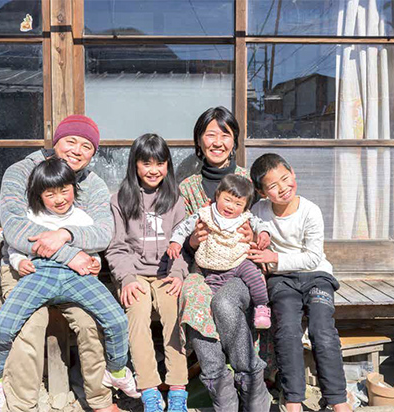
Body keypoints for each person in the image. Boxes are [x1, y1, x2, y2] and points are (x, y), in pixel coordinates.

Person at [0, 115, 129, 412]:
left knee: (90, 322)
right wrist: (69, 252)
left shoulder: (93, 185)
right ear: (55, 142)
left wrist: (66, 233)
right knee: (29, 323)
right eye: (70, 141)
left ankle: (100, 400)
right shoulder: (20, 172)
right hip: (27, 265)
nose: (77, 150)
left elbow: (102, 233)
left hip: (77, 273)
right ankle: (21, 405)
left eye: (86, 146)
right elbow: (16, 230)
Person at [177, 106, 271, 412]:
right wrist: (191, 242)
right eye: (210, 134)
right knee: (194, 301)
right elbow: (182, 241)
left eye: (225, 134)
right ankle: (223, 397)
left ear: (235, 141)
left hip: (242, 272)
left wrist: (258, 240)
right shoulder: (188, 188)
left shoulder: (248, 180)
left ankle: (251, 386)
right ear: (199, 141)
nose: (217, 142)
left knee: (225, 303)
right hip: (203, 271)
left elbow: (267, 226)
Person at [248, 153, 351, 412]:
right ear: (262, 192)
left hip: (317, 276)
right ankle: (293, 399)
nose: (283, 188)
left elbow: (313, 257)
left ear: (293, 173)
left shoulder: (310, 211)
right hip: (281, 281)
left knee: (322, 330)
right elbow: (247, 229)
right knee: (287, 330)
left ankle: (338, 399)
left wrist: (274, 257)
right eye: (273, 185)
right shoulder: (258, 212)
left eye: (285, 178)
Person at [105, 134, 189, 412]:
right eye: (146, 163)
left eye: (160, 163)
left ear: (168, 165)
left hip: (167, 272)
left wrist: (178, 273)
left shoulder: (176, 199)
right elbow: (116, 247)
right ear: (135, 165)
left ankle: (178, 388)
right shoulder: (119, 199)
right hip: (134, 274)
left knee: (173, 313)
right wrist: (126, 278)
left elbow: (184, 245)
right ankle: (149, 388)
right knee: (137, 314)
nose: (154, 170)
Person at [168, 174, 272, 329]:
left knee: (254, 276)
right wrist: (176, 242)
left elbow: (260, 224)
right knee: (212, 299)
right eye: (227, 200)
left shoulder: (245, 217)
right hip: (211, 267)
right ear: (217, 195)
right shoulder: (205, 213)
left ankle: (262, 307)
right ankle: (212, 331)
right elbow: (184, 227)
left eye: (238, 203)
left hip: (239, 261)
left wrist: (263, 233)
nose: (231, 206)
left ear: (245, 207)